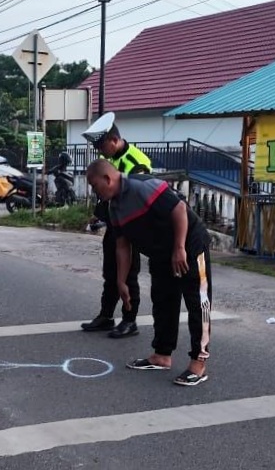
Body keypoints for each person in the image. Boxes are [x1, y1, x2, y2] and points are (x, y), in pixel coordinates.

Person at [87, 159, 212, 386]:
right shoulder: (113, 207)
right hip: (161, 253)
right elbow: (123, 246)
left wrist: (179, 248)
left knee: (197, 302)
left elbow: (179, 209)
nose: (94, 191)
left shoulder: (142, 186)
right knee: (163, 301)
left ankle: (198, 363)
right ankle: (162, 355)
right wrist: (121, 281)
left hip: (189, 245)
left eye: (95, 186)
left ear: (108, 179)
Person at [79, 112, 153, 339]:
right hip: (114, 224)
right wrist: (97, 214)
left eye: (102, 146)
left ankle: (129, 320)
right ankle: (106, 316)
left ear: (114, 140)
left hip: (131, 226)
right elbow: (105, 193)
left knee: (128, 274)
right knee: (110, 273)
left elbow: (132, 199)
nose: (100, 151)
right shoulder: (110, 160)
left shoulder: (137, 163)